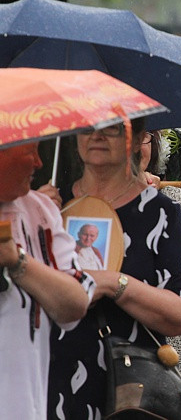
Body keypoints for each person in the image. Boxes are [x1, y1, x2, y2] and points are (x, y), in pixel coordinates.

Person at [48, 120, 181, 417]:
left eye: (112, 127)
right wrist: (34, 210)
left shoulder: (160, 212)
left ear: (139, 137)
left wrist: (116, 283)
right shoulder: (51, 205)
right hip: (53, 378)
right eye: (87, 127)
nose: (97, 136)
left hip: (130, 388)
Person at [0, 142, 94, 420]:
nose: (39, 163)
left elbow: (75, 303)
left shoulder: (38, 211)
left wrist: (18, 262)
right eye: (31, 152)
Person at [140, 130, 181, 420]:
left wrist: (153, 205)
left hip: (173, 342)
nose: (133, 146)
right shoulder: (96, 199)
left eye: (143, 137)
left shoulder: (176, 197)